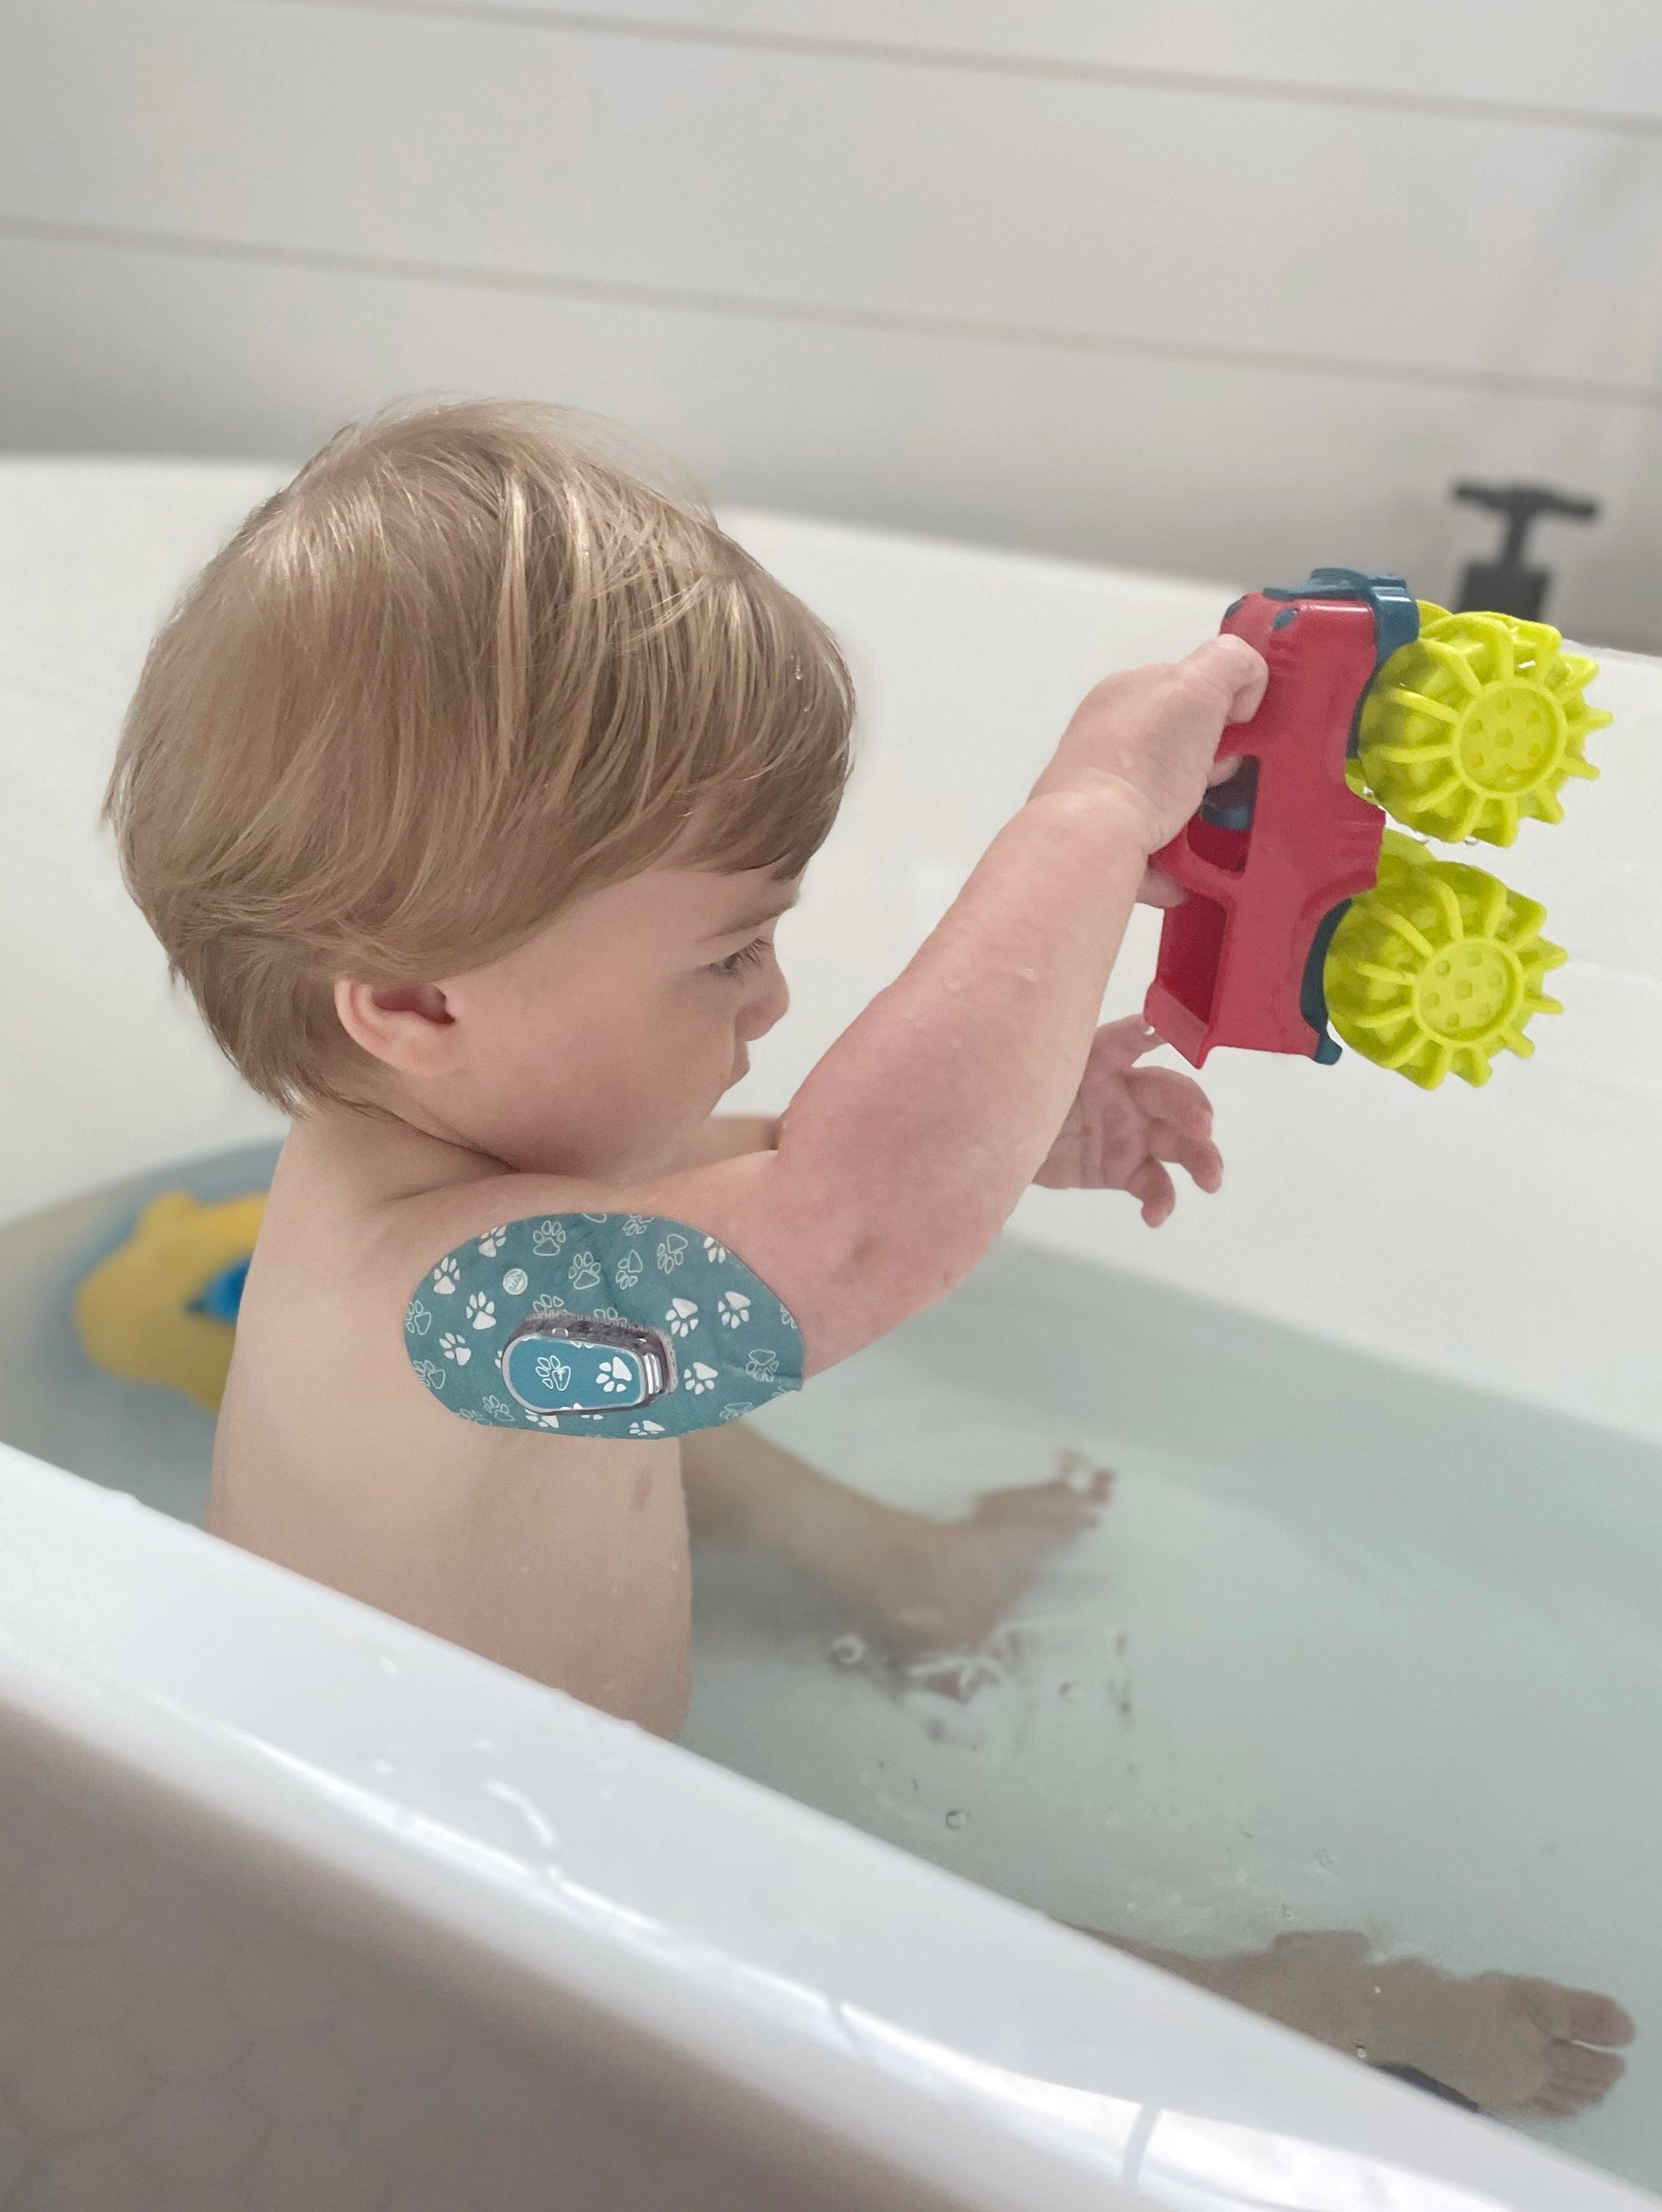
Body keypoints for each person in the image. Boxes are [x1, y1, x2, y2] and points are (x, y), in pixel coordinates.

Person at [107, 400, 1631, 2118]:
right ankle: (1280, 2011)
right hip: (480, 1928)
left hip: (524, 1796)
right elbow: (851, 1229)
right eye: (734, 952)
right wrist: (1087, 817)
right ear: (415, 1002)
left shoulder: (437, 1154)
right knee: (918, 2008)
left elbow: (767, 1183)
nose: (770, 1002)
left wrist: (1024, 1113)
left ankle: (886, 1555)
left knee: (627, 1373)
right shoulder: (442, 1310)